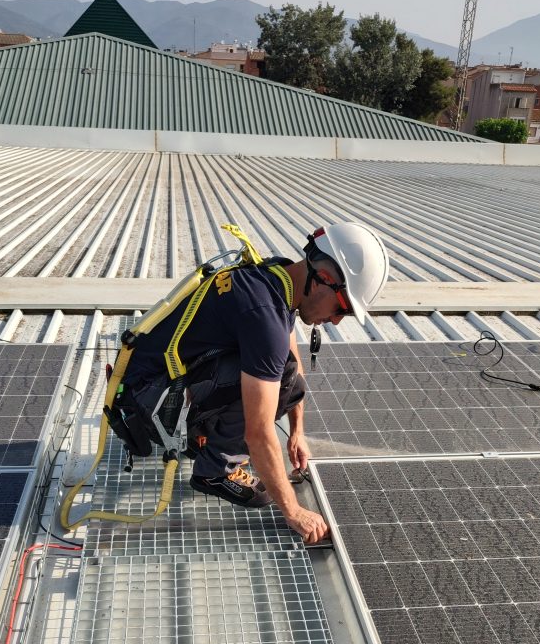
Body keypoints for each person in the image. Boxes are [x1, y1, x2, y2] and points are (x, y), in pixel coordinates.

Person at [123, 222, 389, 544]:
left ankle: (201, 434)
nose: (334, 321)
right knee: (275, 385)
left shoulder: (278, 275)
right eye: (342, 309)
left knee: (286, 379)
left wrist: (297, 432)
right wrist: (293, 511)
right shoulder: (265, 316)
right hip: (151, 399)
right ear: (324, 279)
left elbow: (292, 362)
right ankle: (215, 471)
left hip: (152, 385)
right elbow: (259, 431)